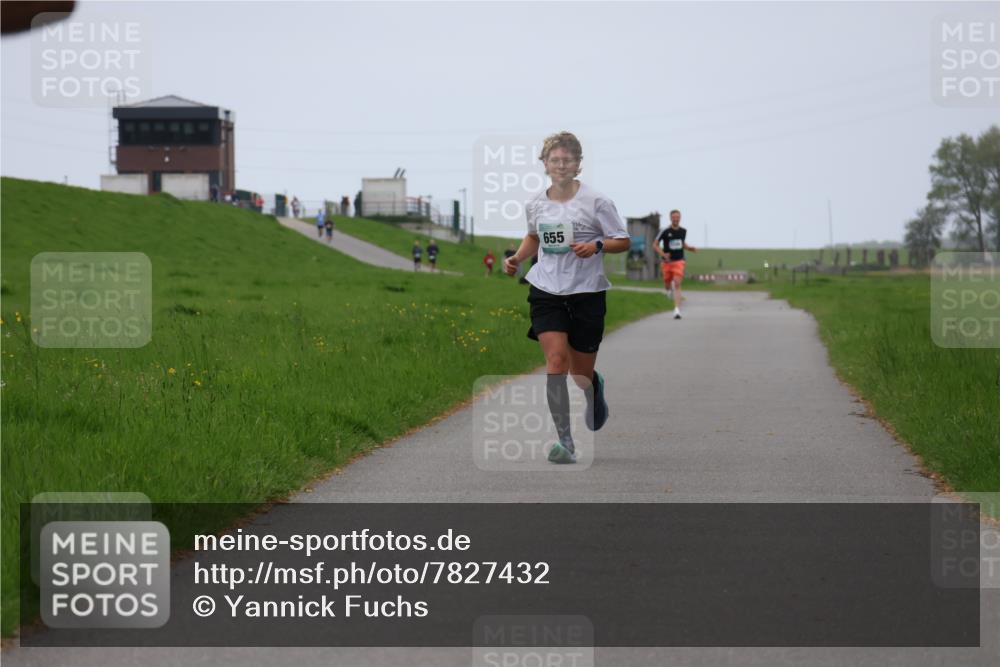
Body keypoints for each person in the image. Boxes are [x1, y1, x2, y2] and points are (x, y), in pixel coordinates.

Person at [503, 131, 630, 464]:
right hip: (546, 290)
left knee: (580, 374)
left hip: (587, 292)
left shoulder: (597, 201)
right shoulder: (535, 203)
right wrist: (517, 258)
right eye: (554, 160)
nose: (561, 165)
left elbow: (622, 240)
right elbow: (534, 236)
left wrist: (597, 245)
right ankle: (565, 442)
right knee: (556, 361)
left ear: (577, 164)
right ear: (545, 164)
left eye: (567, 160)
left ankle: (593, 388)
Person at [655, 209, 697, 319]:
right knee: (667, 283)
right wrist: (663, 254)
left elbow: (682, 244)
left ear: (680, 218)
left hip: (679, 261)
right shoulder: (665, 231)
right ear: (670, 218)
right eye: (674, 217)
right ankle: (668, 290)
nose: (676, 219)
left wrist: (690, 248)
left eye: (677, 217)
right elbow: (655, 245)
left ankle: (677, 310)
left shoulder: (683, 231)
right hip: (667, 262)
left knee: (677, 283)